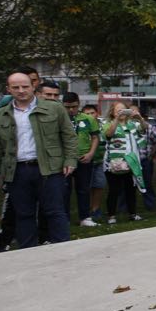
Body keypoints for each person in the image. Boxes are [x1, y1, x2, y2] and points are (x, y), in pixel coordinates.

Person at [0, 71, 78, 248]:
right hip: (17, 171)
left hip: (49, 169)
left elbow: (69, 136)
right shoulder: (1, 114)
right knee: (24, 215)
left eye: (25, 86)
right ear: (8, 89)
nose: (21, 90)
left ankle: (65, 253)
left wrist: (70, 160)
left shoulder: (54, 108)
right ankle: (28, 254)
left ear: (33, 87)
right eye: (16, 87)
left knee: (55, 212)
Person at [101, 102, 147, 224]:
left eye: (123, 110)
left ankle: (133, 214)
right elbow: (108, 134)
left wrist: (140, 118)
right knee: (113, 191)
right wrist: (116, 119)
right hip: (113, 163)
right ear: (112, 112)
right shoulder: (107, 124)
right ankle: (111, 216)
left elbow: (144, 129)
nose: (121, 112)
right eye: (118, 110)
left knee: (131, 190)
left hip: (131, 162)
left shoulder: (133, 124)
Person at [62, 92, 100, 227]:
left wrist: (91, 153)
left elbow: (95, 137)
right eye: (67, 107)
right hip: (65, 160)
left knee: (83, 189)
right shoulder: (60, 117)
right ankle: (64, 219)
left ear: (79, 104)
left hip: (83, 158)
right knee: (64, 190)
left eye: (74, 106)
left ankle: (85, 217)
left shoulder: (87, 118)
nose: (71, 110)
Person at [82, 104, 107, 219]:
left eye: (92, 113)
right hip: (86, 161)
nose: (90, 115)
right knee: (86, 187)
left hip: (100, 161)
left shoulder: (102, 126)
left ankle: (95, 208)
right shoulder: (81, 126)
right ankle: (86, 210)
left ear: (97, 113)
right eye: (87, 113)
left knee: (99, 185)